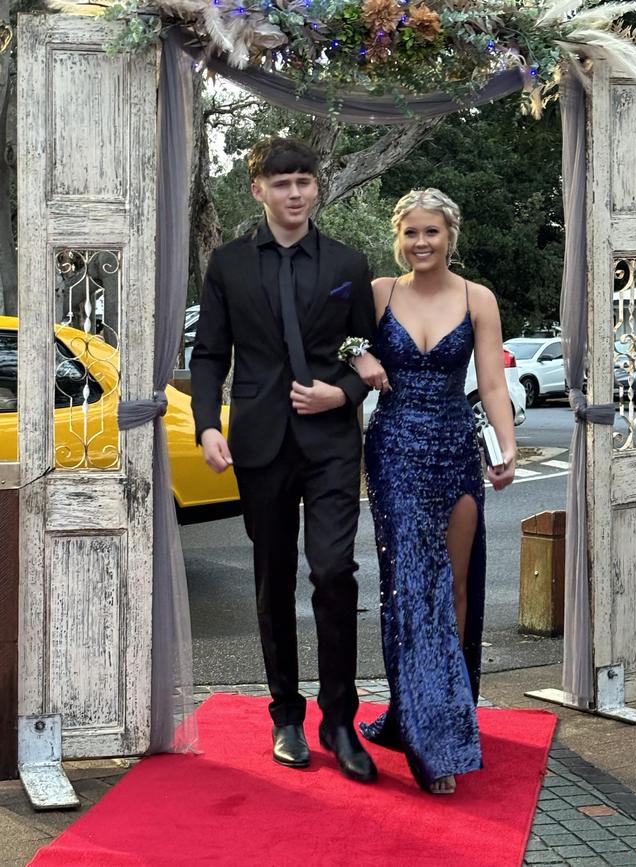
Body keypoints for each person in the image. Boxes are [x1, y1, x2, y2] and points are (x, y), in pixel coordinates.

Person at [190, 137, 378, 783]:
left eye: (304, 180)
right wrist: (206, 425)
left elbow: (365, 350)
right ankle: (286, 716)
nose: (294, 192)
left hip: (330, 444)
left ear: (316, 187)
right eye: (282, 182)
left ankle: (339, 718)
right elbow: (210, 353)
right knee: (273, 579)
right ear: (258, 190)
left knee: (333, 572)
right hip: (259, 441)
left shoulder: (349, 262)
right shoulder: (230, 265)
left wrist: (345, 391)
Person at [349, 188, 516, 794]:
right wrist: (360, 356)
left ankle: (448, 711)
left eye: (432, 233)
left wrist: (506, 445)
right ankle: (430, 740)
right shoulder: (378, 293)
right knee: (412, 587)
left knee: (457, 587)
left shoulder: (477, 298)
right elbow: (341, 350)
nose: (421, 243)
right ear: (400, 237)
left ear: (451, 236)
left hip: (454, 449)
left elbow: (493, 384)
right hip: (393, 450)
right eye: (411, 233)